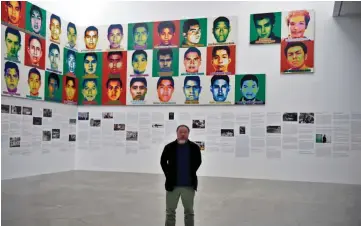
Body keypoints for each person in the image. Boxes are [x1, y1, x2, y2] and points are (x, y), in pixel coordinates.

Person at [160, 124, 202, 226]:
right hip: (172, 186)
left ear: (188, 133)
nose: (183, 134)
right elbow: (163, 162)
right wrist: (168, 175)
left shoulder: (194, 148)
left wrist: (190, 172)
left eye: (185, 132)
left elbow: (198, 161)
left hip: (188, 186)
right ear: (177, 133)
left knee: (189, 212)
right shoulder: (169, 147)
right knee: (170, 212)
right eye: (180, 132)